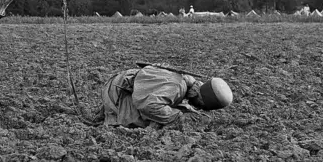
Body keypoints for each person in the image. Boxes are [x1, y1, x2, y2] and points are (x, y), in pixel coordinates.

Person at [94, 63, 233, 128]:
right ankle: (111, 115)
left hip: (120, 84)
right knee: (154, 123)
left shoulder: (184, 81)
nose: (199, 107)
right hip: (116, 93)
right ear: (200, 97)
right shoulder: (178, 87)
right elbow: (149, 105)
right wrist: (178, 116)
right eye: (201, 105)